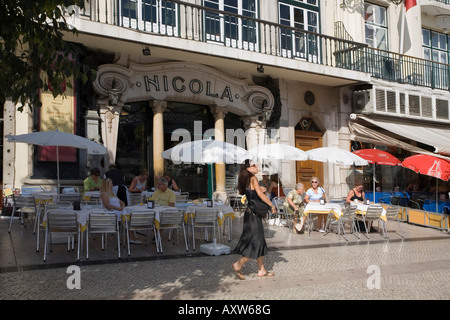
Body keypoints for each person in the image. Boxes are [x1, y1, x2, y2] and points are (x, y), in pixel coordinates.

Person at [232, 159, 276, 280]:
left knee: (259, 240)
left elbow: (254, 194)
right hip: (253, 216)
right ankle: (238, 264)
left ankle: (261, 270)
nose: (256, 166)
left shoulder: (245, 179)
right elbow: (260, 196)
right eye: (253, 165)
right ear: (248, 168)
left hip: (250, 215)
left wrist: (263, 190)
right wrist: (272, 205)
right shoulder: (253, 178)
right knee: (256, 242)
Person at [100, 178, 141, 244]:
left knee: (131, 216)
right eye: (111, 184)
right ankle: (132, 237)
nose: (112, 185)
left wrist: (122, 205)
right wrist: (117, 208)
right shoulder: (104, 194)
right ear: (108, 185)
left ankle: (132, 237)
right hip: (112, 213)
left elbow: (121, 202)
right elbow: (107, 205)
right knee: (130, 218)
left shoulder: (112, 194)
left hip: (118, 211)